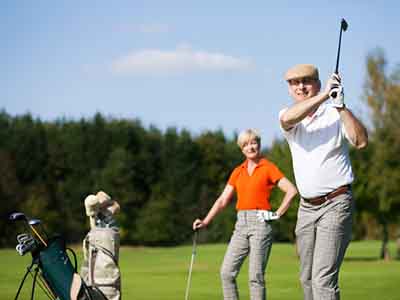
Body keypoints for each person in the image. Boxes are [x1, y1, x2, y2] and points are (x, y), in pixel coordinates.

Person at [279, 64, 368, 300]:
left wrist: (340, 106)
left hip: (336, 203)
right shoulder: (288, 117)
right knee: (306, 278)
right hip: (307, 208)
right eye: (294, 83)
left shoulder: (334, 113)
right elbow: (289, 117)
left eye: (306, 81)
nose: (300, 86)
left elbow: (360, 141)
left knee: (322, 279)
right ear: (289, 89)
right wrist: (324, 95)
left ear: (317, 82)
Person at [192, 128, 297, 300]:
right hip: (241, 224)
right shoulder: (238, 171)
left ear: (259, 144)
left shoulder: (268, 167)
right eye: (246, 144)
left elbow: (291, 191)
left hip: (260, 224)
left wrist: (277, 214)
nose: (250, 147)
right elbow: (222, 200)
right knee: (226, 273)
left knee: (255, 277)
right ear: (241, 149)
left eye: (253, 143)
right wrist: (205, 221)